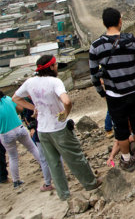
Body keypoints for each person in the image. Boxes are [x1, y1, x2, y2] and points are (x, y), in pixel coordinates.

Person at [12, 57, 100, 200]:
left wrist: (34, 108)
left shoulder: (30, 82)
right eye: (56, 65)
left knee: (53, 163)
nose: (57, 67)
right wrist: (65, 114)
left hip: (43, 130)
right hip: (58, 127)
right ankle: (90, 183)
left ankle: (64, 194)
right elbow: (67, 101)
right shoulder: (55, 82)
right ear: (51, 67)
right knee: (75, 157)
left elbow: (15, 98)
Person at [89, 7, 135, 172]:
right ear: (120, 21)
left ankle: (126, 160)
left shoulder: (96, 46)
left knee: (121, 129)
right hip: (133, 91)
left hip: (114, 95)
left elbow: (94, 75)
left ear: (104, 23)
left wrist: (102, 93)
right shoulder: (132, 40)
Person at [0, 91, 50, 189]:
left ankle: (16, 181)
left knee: (13, 156)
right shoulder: (8, 99)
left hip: (5, 133)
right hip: (19, 128)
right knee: (32, 148)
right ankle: (46, 168)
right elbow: (20, 108)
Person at [21, 97, 54, 191]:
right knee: (56, 155)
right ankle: (60, 178)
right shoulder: (46, 97)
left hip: (40, 133)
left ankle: (48, 183)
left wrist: (31, 127)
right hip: (53, 129)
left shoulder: (29, 104)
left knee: (44, 159)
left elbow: (28, 119)